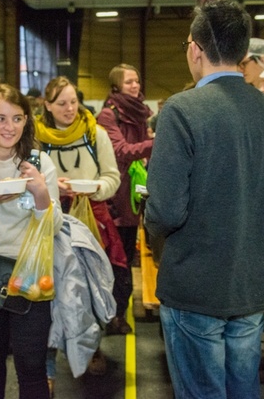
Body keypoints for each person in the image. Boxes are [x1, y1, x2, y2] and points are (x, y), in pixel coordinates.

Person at [144, 0, 264, 398]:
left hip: (195, 286)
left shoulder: (181, 110)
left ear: (195, 49)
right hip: (252, 285)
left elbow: (165, 210)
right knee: (242, 388)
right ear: (244, 53)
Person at [0, 82, 63, 399]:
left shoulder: (40, 163)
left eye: (17, 118)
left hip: (32, 278)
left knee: (31, 370)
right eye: (1, 118)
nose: (10, 127)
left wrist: (42, 194)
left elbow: (55, 226)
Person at [34, 76, 122, 380]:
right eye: (61, 104)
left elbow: (113, 177)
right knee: (50, 285)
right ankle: (48, 358)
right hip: (49, 219)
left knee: (90, 285)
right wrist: (50, 186)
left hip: (90, 219)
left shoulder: (96, 134)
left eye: (73, 101)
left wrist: (94, 187)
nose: (70, 108)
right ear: (47, 105)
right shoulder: (35, 137)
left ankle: (92, 345)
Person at [96, 63, 153, 335]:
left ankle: (118, 314)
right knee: (111, 263)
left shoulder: (142, 114)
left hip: (134, 200)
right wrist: (158, 141)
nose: (135, 85)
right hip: (113, 201)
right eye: (129, 81)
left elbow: (143, 157)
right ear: (117, 86)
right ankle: (106, 315)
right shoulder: (109, 116)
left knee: (127, 260)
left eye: (137, 80)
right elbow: (122, 150)